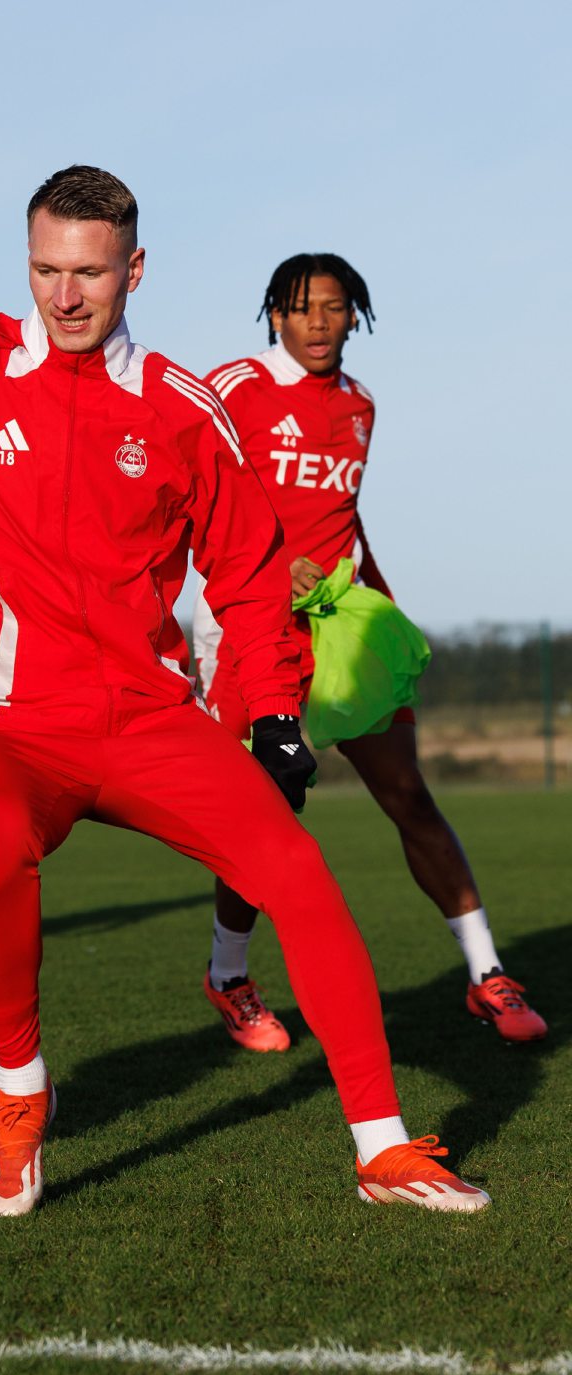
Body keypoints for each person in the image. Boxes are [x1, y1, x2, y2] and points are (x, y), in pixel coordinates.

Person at [0, 166, 490, 1216]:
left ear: (133, 270)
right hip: (8, 725)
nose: (65, 296)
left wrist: (278, 710)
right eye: (46, 270)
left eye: (90, 274)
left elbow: (248, 571)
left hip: (153, 719)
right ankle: (21, 1090)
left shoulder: (180, 407)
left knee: (296, 868)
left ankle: (381, 1146)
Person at [194, 256, 546, 1049]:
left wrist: (380, 604)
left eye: (335, 306)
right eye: (301, 307)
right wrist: (269, 564)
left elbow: (343, 520)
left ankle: (486, 972)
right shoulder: (232, 388)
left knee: (409, 793)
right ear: (273, 317)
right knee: (265, 809)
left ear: (357, 315)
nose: (319, 321)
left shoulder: (360, 406)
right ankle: (229, 977)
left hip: (341, 625)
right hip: (251, 627)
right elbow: (192, 499)